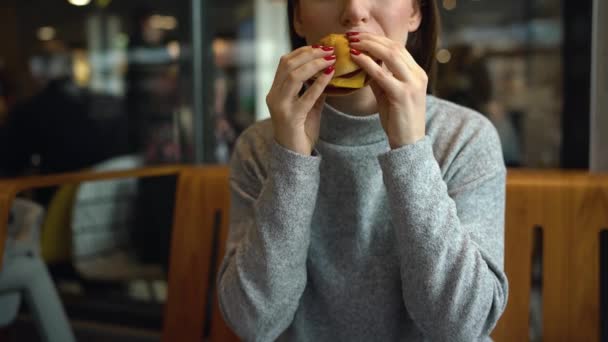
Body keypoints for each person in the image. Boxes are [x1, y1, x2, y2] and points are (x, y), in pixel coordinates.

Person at [217, 0, 508, 341]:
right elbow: (253, 322)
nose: (354, 11)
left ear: (416, 13)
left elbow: (461, 325)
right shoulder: (260, 146)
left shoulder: (465, 138)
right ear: (298, 16)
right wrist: (291, 158)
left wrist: (410, 148)